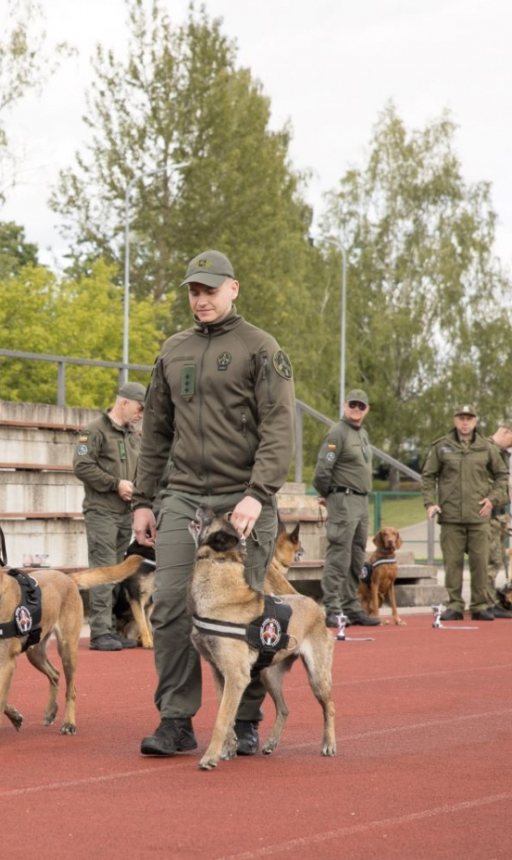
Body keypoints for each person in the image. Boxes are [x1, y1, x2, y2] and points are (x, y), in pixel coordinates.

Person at [131, 249, 296, 759]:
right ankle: (177, 719)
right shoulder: (173, 349)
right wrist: (143, 499)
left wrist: (256, 493)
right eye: (193, 291)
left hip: (243, 497)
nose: (200, 299)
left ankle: (245, 718)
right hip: (183, 496)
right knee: (172, 606)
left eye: (209, 289)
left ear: (233, 288)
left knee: (244, 609)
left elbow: (279, 429)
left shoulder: (260, 348)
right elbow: (155, 431)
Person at [72, 381, 147, 650]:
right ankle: (100, 632)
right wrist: (115, 483)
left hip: (124, 513)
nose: (141, 414)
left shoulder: (132, 435)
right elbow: (81, 466)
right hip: (101, 512)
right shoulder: (94, 430)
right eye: (139, 408)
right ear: (124, 403)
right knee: (103, 571)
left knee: (117, 573)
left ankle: (112, 629)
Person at [421, 405, 508, 622]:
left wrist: (492, 499)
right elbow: (428, 476)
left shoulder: (486, 447)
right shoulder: (442, 446)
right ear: (455, 420)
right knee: (452, 564)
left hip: (478, 516)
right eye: (461, 418)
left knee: (480, 563)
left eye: (469, 418)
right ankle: (455, 605)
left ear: (476, 421)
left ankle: (479, 605)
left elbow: (501, 475)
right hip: (451, 516)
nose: (465, 422)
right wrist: (430, 503)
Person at [311, 389, 380, 628]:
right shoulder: (337, 432)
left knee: (356, 555)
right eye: (353, 404)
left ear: (367, 409)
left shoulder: (362, 433)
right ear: (344, 405)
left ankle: (351, 606)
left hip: (360, 501)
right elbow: (321, 472)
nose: (356, 409)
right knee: (339, 555)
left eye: (361, 406)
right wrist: (329, 496)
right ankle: (332, 607)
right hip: (344, 499)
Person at [484, 418, 512, 618]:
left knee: (495, 561)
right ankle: (486, 602)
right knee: (488, 561)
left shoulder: (502, 454)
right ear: (506, 432)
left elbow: (502, 486)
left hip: (499, 515)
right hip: (487, 516)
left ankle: (490, 600)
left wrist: (506, 515)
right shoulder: (485, 449)